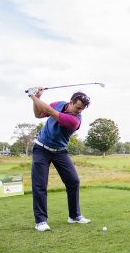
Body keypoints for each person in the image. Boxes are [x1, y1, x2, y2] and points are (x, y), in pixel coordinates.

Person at [28, 88, 91, 231]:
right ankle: (41, 221)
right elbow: (38, 114)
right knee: (40, 185)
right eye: (78, 108)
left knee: (73, 181)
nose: (79, 111)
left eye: (82, 110)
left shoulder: (75, 121)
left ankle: (74, 216)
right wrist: (37, 98)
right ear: (71, 102)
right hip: (41, 149)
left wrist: (33, 96)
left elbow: (50, 112)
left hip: (60, 152)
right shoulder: (58, 104)